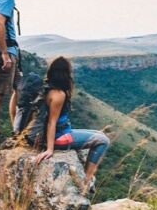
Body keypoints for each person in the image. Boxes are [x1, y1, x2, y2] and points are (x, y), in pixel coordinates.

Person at [0, 0, 63, 149]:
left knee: (20, 89)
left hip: (8, 50)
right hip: (3, 52)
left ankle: (17, 131)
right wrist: (4, 53)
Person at [34, 56, 110, 193]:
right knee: (104, 140)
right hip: (60, 136)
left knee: (100, 135)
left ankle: (87, 178)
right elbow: (52, 122)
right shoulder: (58, 94)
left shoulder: (46, 88)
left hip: (61, 132)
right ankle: (87, 179)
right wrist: (50, 149)